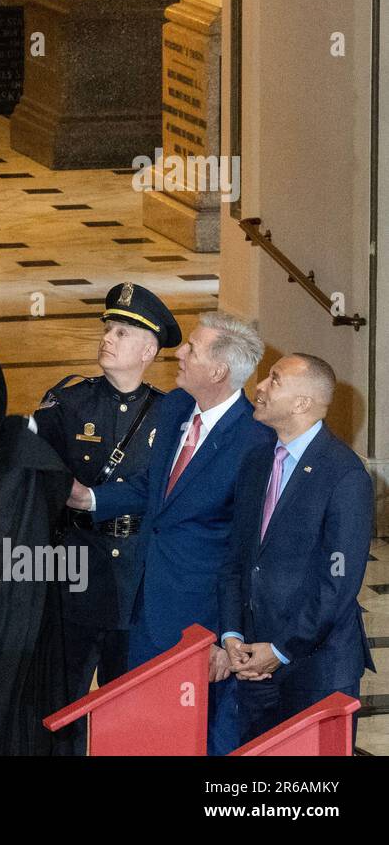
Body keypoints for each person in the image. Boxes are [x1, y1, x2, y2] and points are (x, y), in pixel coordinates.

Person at [68, 311, 271, 754]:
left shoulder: (255, 441)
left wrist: (225, 636)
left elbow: (247, 553)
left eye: (192, 348)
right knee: (148, 728)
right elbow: (153, 488)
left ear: (217, 371)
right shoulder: (176, 407)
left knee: (202, 733)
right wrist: (92, 499)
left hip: (200, 623)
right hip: (143, 603)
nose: (178, 352)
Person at [33, 282, 179, 754]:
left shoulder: (170, 415)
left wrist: (93, 498)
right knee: (63, 697)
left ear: (149, 349)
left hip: (136, 573)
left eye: (122, 332)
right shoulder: (70, 403)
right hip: (75, 567)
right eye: (108, 328)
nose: (108, 338)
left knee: (130, 692)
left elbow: (161, 489)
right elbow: (33, 466)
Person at [221, 354, 375, 745]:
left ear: (303, 403)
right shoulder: (256, 461)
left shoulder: (344, 474)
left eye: (274, 380)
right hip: (253, 662)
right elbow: (237, 557)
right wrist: (232, 633)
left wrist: (281, 649)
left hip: (316, 668)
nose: (260, 386)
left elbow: (338, 582)